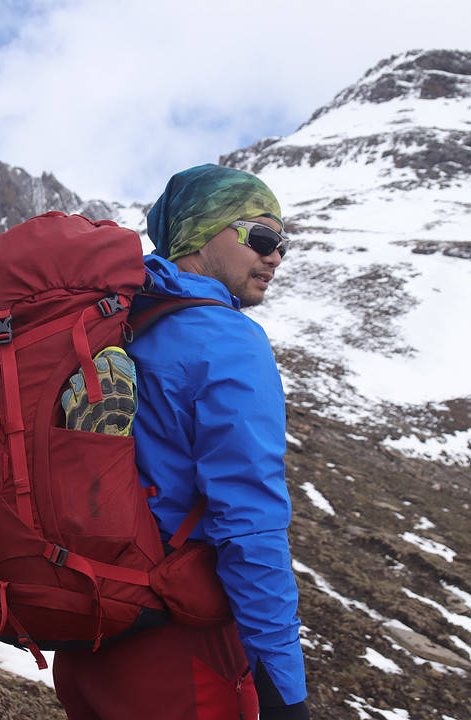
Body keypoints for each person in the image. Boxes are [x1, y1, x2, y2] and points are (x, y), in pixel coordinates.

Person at [52, 164, 310, 720]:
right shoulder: (228, 339)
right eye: (261, 237)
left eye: (283, 243)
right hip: (177, 646)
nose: (276, 256)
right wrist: (284, 685)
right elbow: (250, 520)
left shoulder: (115, 317)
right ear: (200, 232)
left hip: (90, 630)